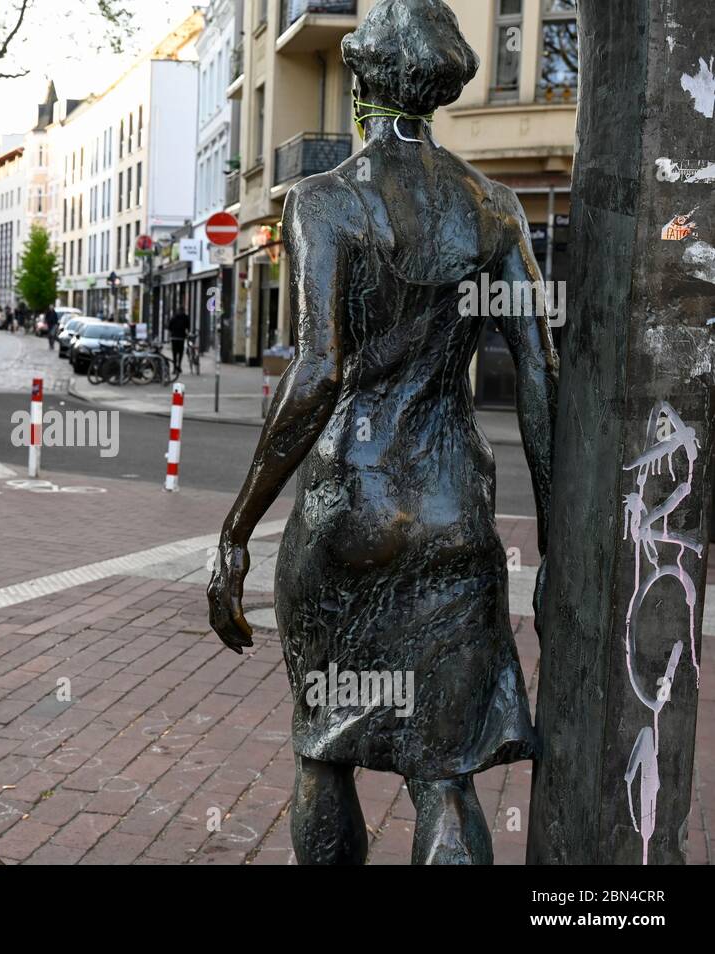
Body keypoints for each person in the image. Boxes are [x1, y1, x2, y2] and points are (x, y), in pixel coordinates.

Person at [207, 0, 556, 866]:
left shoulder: (325, 202)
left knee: (326, 751)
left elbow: (317, 371)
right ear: (439, 89)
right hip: (453, 519)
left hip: (349, 515)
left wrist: (236, 530)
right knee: (443, 776)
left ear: (361, 83)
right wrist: (555, 548)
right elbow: (543, 381)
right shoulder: (497, 208)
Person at [168, 307, 191, 373]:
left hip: (174, 338)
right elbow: (188, 327)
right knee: (180, 353)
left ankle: (174, 367)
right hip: (181, 338)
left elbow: (169, 327)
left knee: (174, 353)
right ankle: (179, 366)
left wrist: (170, 335)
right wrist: (187, 334)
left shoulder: (174, 317)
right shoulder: (185, 317)